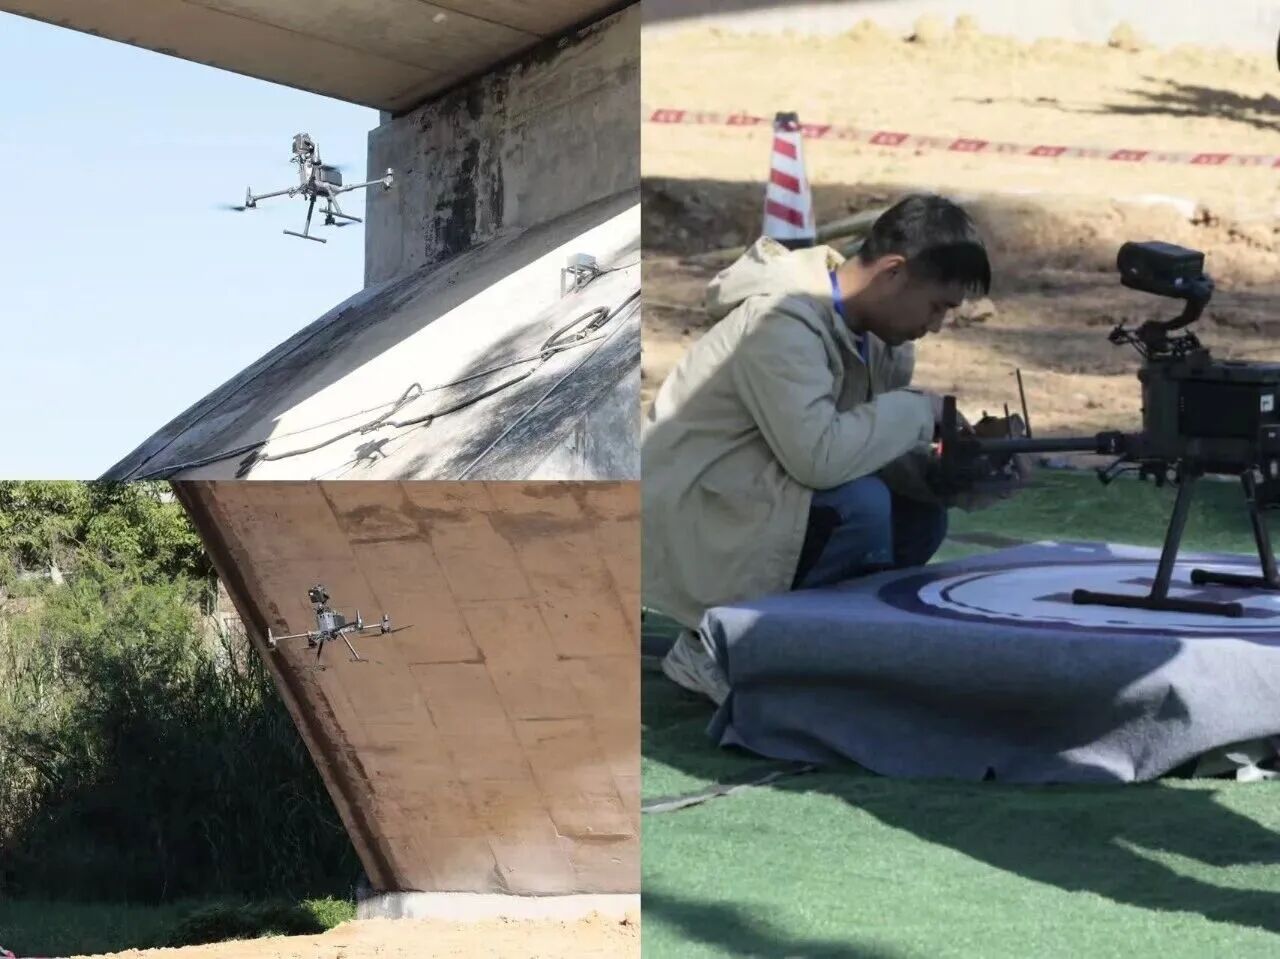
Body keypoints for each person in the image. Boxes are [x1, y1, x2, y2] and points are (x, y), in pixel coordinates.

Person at [642, 193, 1024, 705]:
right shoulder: (779, 322)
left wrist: (954, 475)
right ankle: (715, 645)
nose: (936, 325)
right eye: (937, 306)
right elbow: (818, 458)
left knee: (920, 514)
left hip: (752, 492)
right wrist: (917, 412)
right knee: (860, 507)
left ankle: (828, 647)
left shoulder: (882, 341)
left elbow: (865, 445)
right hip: (694, 507)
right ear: (893, 272)